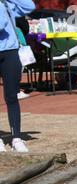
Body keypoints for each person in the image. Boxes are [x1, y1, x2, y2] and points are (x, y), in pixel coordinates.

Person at [0, 0, 35, 153]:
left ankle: (17, 138)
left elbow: (30, 6)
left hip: (10, 52)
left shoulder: (6, 3)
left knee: (11, 97)